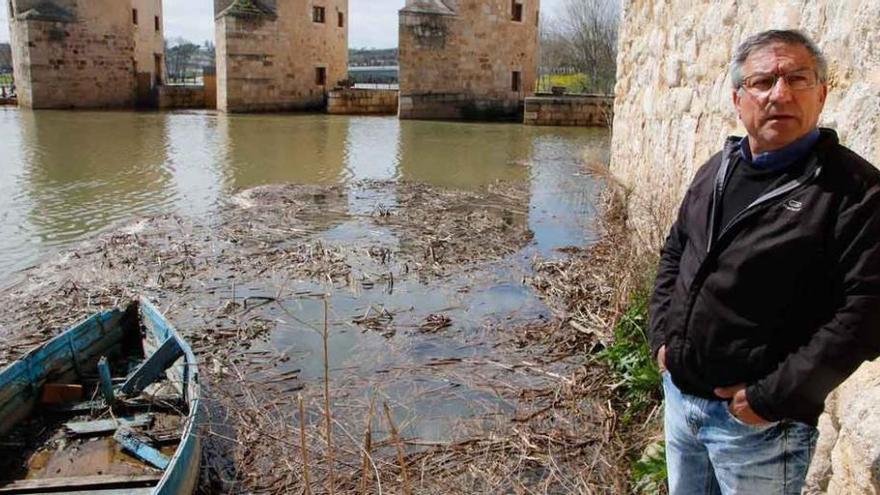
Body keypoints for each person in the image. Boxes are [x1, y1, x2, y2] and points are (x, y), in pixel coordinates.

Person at [649, 29, 880, 494]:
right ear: (739, 99)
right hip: (682, 402)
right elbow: (676, 251)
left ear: (822, 94)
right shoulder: (718, 168)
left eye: (797, 78)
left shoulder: (856, 192)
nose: (780, 93)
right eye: (763, 82)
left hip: (760, 428)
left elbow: (866, 314)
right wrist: (662, 340)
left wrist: (769, 398)